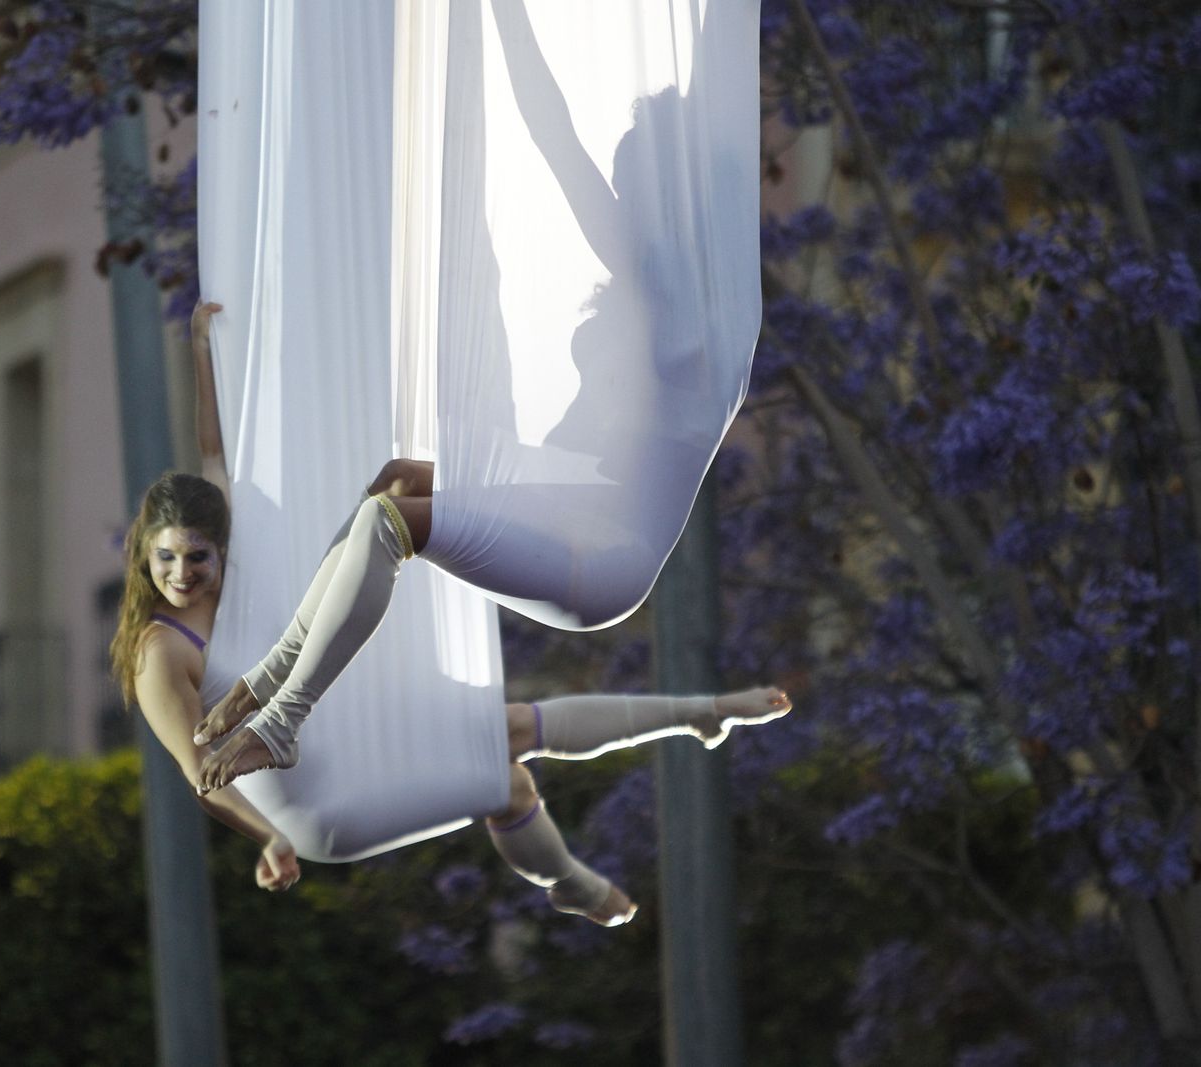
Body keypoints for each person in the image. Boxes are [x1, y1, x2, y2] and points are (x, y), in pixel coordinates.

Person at [109, 300, 791, 925]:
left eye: (196, 557)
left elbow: (215, 450)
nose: (182, 575)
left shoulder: (237, 577)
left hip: (339, 729)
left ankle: (693, 719)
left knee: (507, 726)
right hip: (308, 797)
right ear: (144, 555)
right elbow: (198, 774)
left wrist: (203, 351)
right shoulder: (161, 652)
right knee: (507, 769)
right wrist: (271, 838)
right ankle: (588, 855)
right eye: (167, 560)